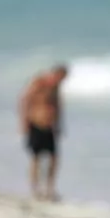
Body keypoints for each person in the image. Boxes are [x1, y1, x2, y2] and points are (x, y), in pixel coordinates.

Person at [18, 64, 69, 202]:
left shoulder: (56, 88)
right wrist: (24, 122)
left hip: (50, 126)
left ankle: (49, 189)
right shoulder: (39, 82)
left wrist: (58, 125)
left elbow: (57, 106)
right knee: (36, 158)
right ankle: (35, 189)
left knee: (54, 158)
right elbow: (25, 101)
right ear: (56, 74)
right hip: (36, 123)